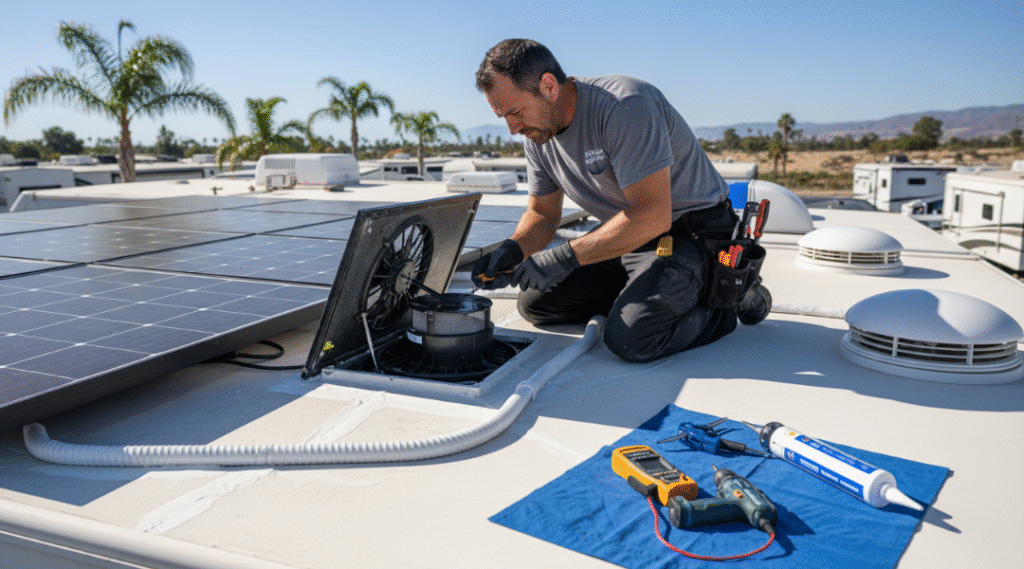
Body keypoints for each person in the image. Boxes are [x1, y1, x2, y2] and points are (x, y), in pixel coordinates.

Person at [472, 39, 770, 363]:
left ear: (548, 86)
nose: (512, 128)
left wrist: (562, 258)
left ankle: (724, 304)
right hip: (629, 236)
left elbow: (652, 215)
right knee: (536, 303)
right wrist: (513, 249)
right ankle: (648, 293)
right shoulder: (538, 134)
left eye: (515, 112)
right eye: (503, 117)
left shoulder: (624, 106)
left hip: (686, 235)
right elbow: (542, 212)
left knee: (631, 337)